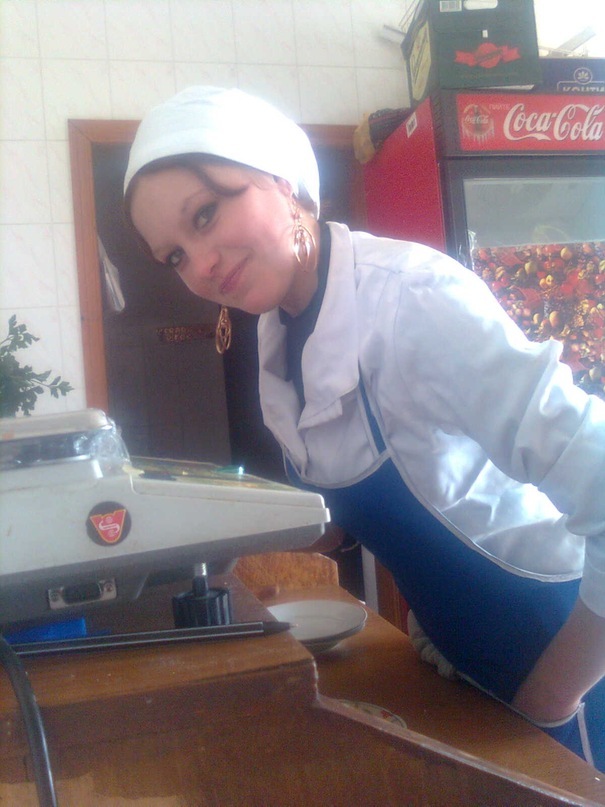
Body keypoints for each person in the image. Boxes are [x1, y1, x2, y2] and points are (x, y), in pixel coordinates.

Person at [124, 86, 605, 770]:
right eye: (173, 255)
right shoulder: (278, 330)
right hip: (464, 661)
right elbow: (347, 502)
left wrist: (552, 693)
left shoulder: (411, 300)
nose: (199, 264)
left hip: (566, 660)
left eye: (205, 214)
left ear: (280, 179)